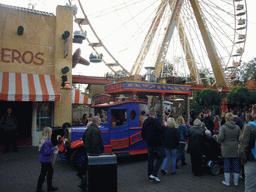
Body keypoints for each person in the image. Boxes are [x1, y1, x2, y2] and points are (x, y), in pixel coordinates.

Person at [78, 116, 104, 191]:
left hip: (88, 150)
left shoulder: (88, 129)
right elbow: (95, 143)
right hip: (94, 152)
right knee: (92, 169)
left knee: (92, 169)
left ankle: (86, 183)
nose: (100, 123)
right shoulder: (95, 130)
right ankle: (84, 183)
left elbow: (84, 139)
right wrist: (97, 154)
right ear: (97, 122)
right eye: (99, 121)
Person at [141, 107, 165, 183]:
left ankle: (150, 176)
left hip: (149, 142)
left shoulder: (145, 122)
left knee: (150, 159)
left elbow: (142, 133)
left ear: (149, 114)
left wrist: (146, 139)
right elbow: (162, 131)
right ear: (155, 114)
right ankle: (154, 173)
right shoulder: (156, 122)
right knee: (160, 157)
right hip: (157, 143)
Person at [218, 112, 240, 187]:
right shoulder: (237, 127)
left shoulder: (223, 127)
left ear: (226, 118)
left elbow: (220, 138)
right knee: (236, 165)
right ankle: (236, 182)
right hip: (235, 147)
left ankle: (227, 181)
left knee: (226, 164)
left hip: (226, 148)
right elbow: (240, 138)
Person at [238, 104, 256, 192]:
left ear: (253, 112)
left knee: (250, 187)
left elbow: (243, 146)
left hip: (251, 160)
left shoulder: (249, 127)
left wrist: (243, 160)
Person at [36, 127, 58, 192]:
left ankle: (43, 188)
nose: (51, 133)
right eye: (51, 131)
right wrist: (54, 148)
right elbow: (47, 152)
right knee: (46, 173)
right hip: (46, 160)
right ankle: (45, 188)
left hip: (43, 159)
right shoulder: (47, 141)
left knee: (45, 173)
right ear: (48, 133)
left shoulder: (43, 139)